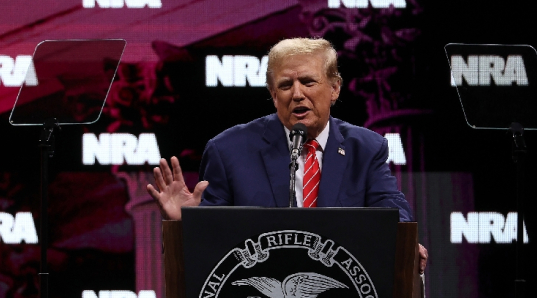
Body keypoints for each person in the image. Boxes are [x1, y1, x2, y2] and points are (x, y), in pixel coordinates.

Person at [147, 37, 428, 272]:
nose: (296, 94)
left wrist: (403, 242)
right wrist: (185, 224)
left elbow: (391, 207)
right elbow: (211, 243)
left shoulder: (365, 148)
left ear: (334, 89)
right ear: (272, 94)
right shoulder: (228, 151)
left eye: (308, 82)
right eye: (285, 85)